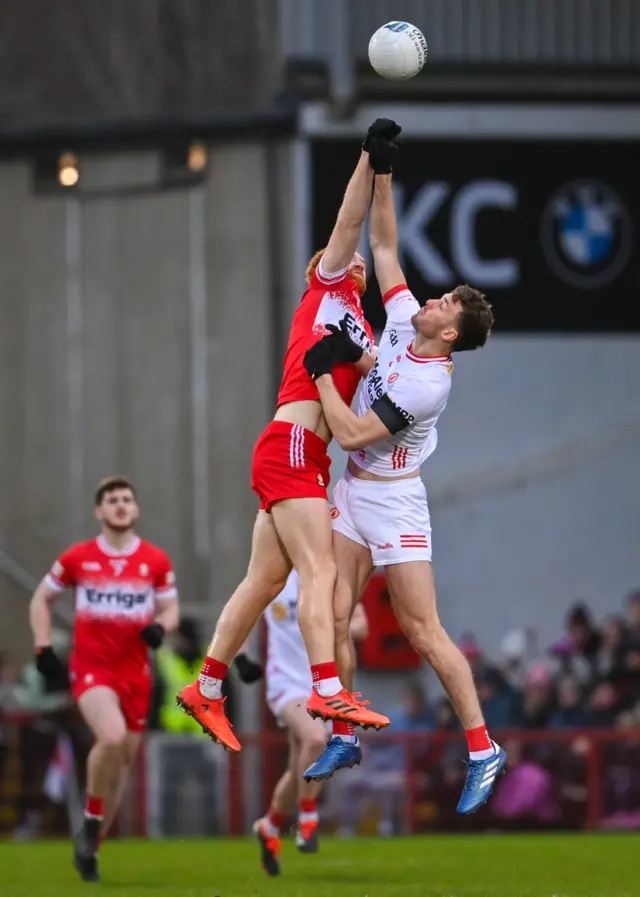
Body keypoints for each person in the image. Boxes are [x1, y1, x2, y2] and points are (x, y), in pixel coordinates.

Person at [175, 121, 403, 746]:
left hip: (297, 451)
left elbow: (375, 374)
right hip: (296, 444)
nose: (353, 262)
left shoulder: (361, 329)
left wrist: (362, 362)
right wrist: (369, 159)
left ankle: (208, 685)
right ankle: (328, 691)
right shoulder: (325, 289)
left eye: (357, 265)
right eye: (342, 261)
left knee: (265, 581)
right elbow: (352, 222)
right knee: (319, 570)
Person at [302, 151, 507, 815]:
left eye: (445, 302)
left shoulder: (427, 384)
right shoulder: (405, 321)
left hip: (394, 501)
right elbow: (384, 242)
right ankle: (344, 730)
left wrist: (318, 372)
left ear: (450, 332)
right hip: (356, 489)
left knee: (422, 629)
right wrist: (382, 167)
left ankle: (482, 747)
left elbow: (358, 432)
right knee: (334, 614)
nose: (434, 298)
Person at [28, 476, 179, 881]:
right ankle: (91, 822)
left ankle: (89, 847)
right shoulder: (78, 557)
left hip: (137, 675)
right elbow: (42, 597)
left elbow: (170, 611)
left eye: (127, 498)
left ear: (136, 509)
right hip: (92, 669)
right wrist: (43, 647)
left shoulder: (156, 561)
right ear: (99, 511)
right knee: (110, 738)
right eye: (112, 500)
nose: (120, 505)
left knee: (123, 763)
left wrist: (160, 629)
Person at [255, 568, 368, 876]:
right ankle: (307, 819)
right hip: (286, 685)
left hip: (322, 686)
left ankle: (269, 826)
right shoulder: (270, 574)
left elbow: (361, 624)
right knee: (316, 739)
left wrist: (331, 623)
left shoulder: (329, 576)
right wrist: (240, 661)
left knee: (297, 773)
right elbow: (239, 618)